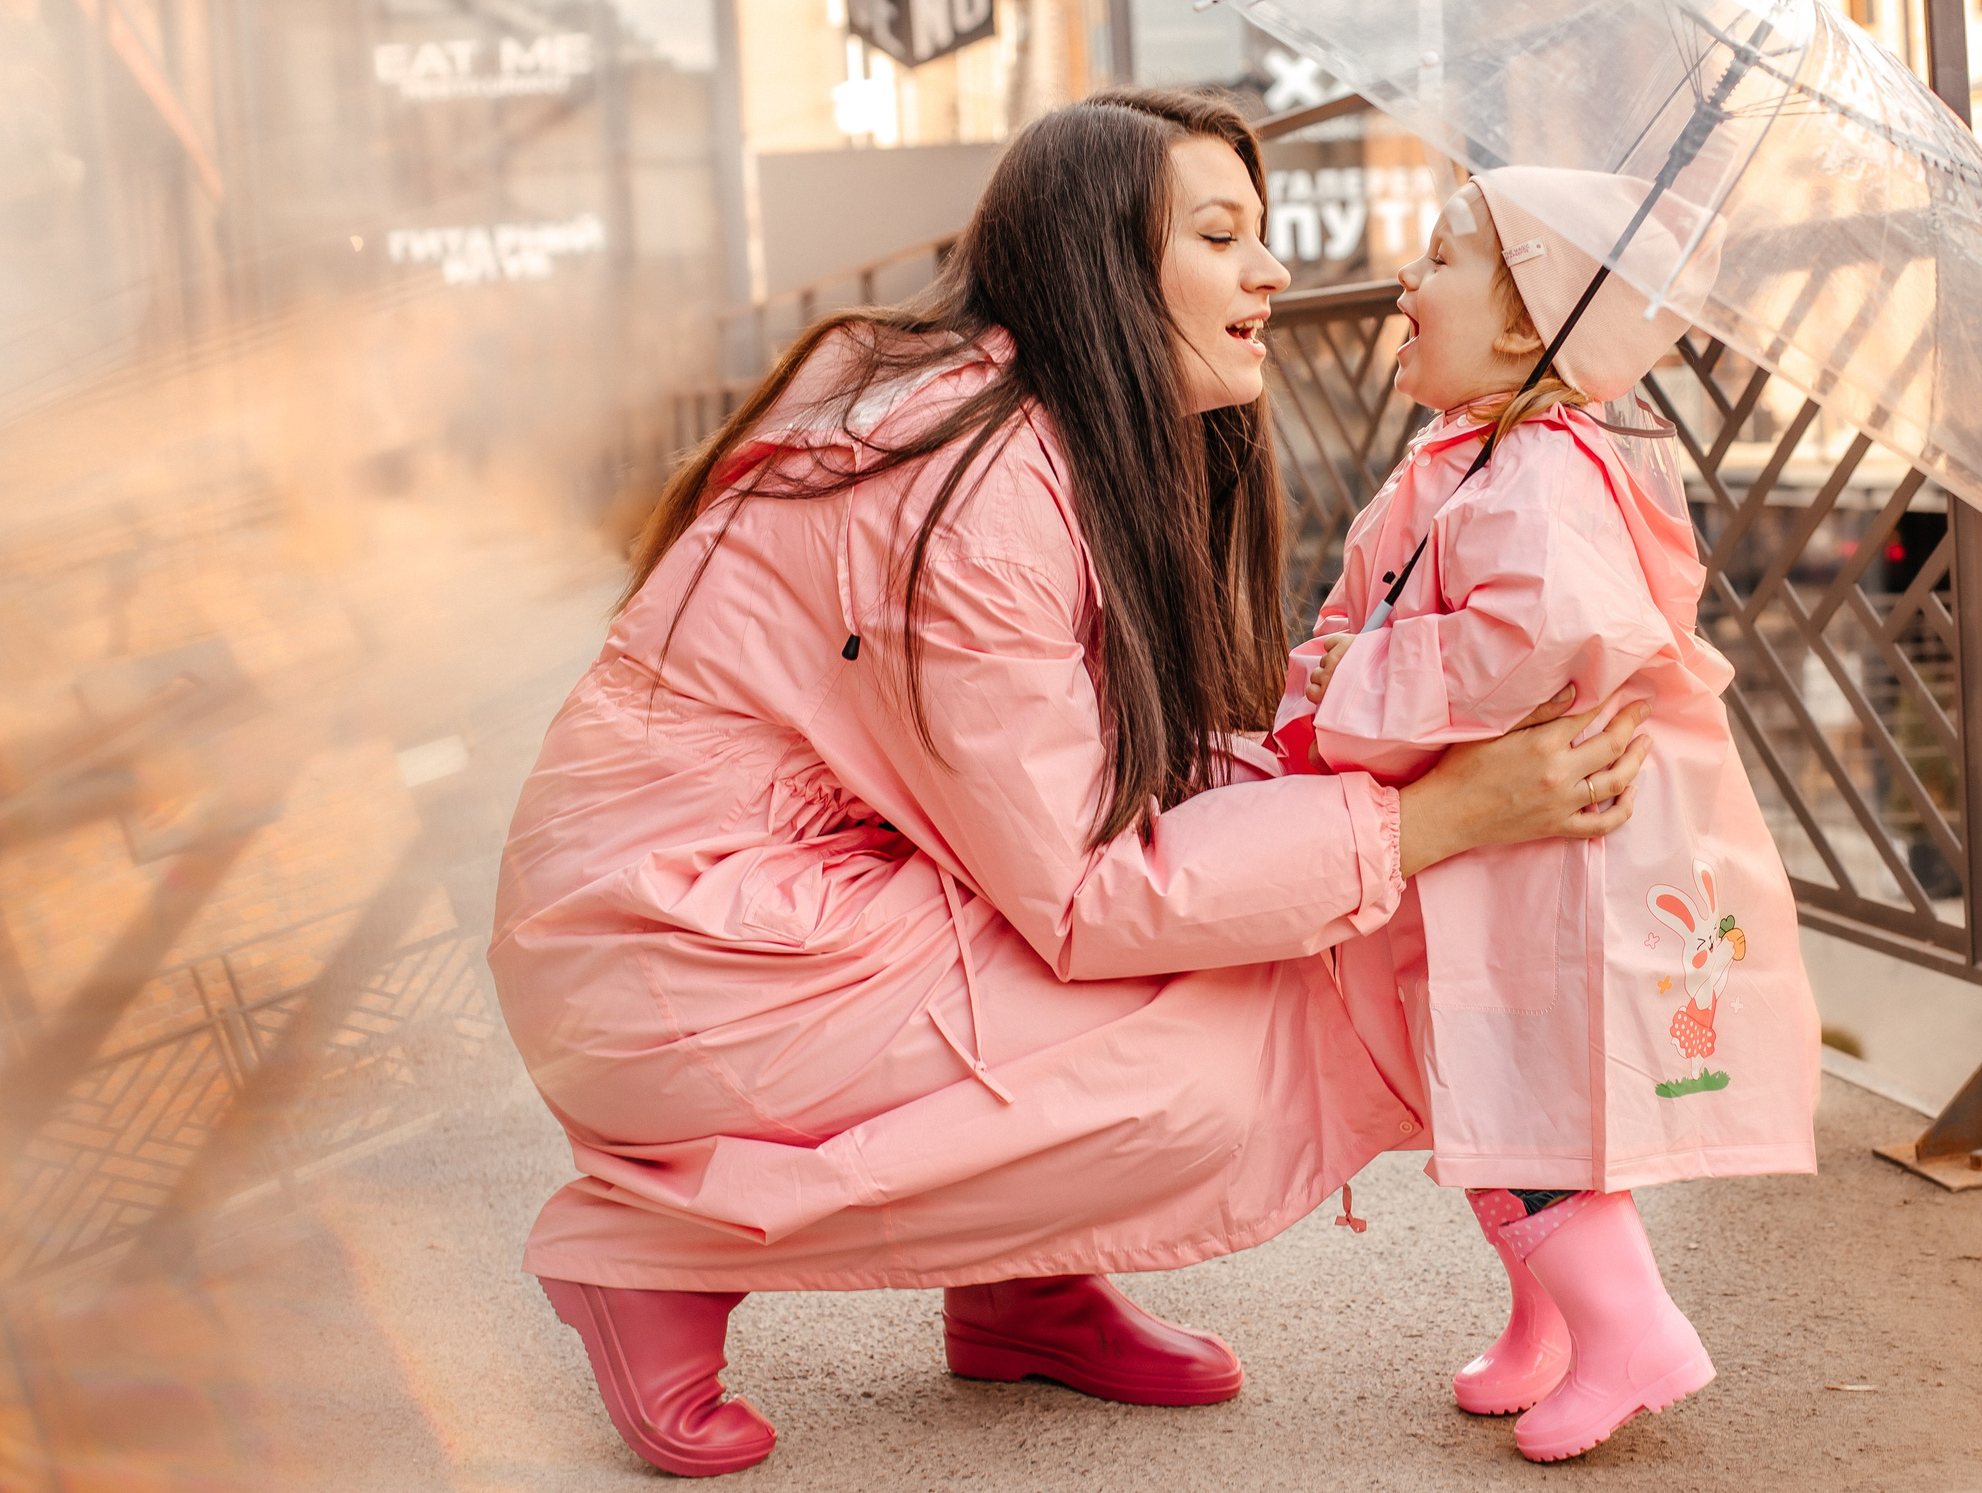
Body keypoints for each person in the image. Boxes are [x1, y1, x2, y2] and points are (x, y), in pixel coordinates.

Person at [490, 91, 1653, 1477]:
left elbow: (1090, 784)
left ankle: (1025, 1286)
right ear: (1102, 268)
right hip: (687, 957)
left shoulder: (1029, 430)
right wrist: (1433, 815)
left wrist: (1377, 786)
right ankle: (655, 1260)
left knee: (1297, 917)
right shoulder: (977, 488)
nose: (1273, 273)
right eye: (1222, 237)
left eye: (1263, 234)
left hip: (766, 902)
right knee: (1234, 1053)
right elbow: (1092, 888)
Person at [1271, 169, 1820, 1463]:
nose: (1407, 283)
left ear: (1530, 329)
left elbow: (1535, 636)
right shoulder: (1479, 456)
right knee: (1507, 1097)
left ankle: (1635, 1337)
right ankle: (1550, 1321)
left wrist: (1356, 681)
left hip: (1555, 853)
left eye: (1444, 259)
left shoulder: (1543, 469)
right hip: (1504, 842)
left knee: (1523, 1092)